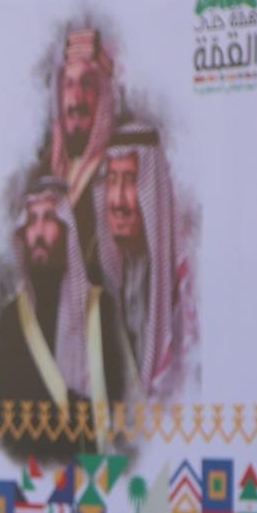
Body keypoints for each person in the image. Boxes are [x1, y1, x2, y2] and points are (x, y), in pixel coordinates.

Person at [0, 177, 130, 461]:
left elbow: (120, 404)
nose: (39, 232)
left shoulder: (100, 310)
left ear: (67, 230)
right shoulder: (10, 320)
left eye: (49, 219)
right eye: (32, 221)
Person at [96, 123, 196, 400]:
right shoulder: (102, 280)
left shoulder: (183, 288)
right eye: (112, 180)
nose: (117, 200)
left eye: (131, 180)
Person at [49, 27, 116, 279]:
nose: (76, 99)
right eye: (68, 85)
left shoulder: (114, 173)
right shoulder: (49, 170)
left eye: (86, 84)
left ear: (103, 96)